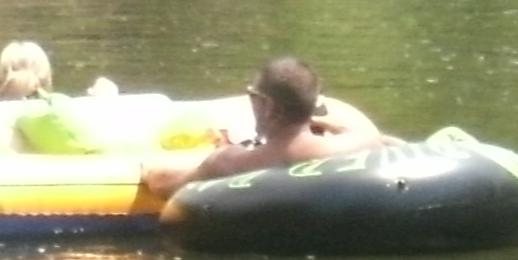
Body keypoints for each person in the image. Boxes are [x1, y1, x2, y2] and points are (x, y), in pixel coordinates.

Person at [134, 56, 380, 206]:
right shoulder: (353, 144)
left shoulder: (233, 162)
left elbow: (165, 183)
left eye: (253, 96)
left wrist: (146, 169)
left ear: (267, 106)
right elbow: (377, 141)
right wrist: (323, 124)